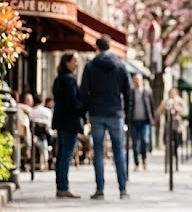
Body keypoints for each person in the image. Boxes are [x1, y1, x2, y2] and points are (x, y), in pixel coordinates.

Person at [79, 35, 132, 200]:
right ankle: (123, 189)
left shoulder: (90, 66)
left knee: (98, 150)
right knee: (118, 150)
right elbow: (128, 92)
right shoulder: (120, 66)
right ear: (110, 47)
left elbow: (84, 91)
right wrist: (127, 114)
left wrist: (85, 112)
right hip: (115, 112)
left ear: (97, 47)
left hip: (97, 112)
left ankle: (100, 189)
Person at [52, 54, 83, 198]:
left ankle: (61, 186)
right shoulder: (70, 79)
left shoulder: (59, 78)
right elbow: (72, 101)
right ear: (67, 62)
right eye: (75, 60)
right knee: (66, 154)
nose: (77, 63)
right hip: (70, 120)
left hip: (61, 120)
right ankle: (63, 186)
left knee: (61, 154)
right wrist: (83, 107)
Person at [129, 74, 155, 171]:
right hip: (134, 121)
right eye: (135, 80)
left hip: (145, 121)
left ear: (141, 81)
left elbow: (152, 106)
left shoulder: (147, 92)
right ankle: (136, 163)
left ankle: (144, 159)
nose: (137, 82)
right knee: (135, 142)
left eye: (138, 80)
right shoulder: (131, 93)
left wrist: (152, 119)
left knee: (145, 140)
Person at [157, 87, 186, 166]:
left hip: (176, 124)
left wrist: (176, 108)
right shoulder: (166, 101)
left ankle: (175, 157)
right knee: (167, 142)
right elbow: (159, 112)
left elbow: (184, 112)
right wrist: (163, 105)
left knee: (176, 141)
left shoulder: (179, 101)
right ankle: (169, 157)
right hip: (167, 124)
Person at [29, 94, 54, 170]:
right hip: (46, 136)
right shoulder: (47, 111)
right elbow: (50, 125)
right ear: (42, 101)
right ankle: (48, 161)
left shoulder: (31, 111)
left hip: (33, 135)